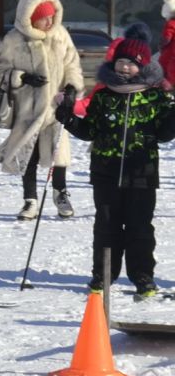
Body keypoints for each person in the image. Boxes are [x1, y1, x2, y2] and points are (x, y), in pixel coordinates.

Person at [55, 36, 175, 295]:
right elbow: (89, 131)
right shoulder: (104, 96)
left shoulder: (154, 98)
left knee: (140, 227)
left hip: (142, 174)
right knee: (106, 226)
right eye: (121, 62)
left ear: (142, 68)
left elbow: (165, 134)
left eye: (131, 64)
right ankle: (103, 275)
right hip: (105, 173)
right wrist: (69, 119)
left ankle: (143, 276)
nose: (124, 68)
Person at [0, 0, 82, 221]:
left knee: (59, 154)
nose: (49, 21)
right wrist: (21, 77)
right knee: (27, 153)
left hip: (55, 107)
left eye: (52, 16)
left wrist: (71, 87)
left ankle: (61, 194)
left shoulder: (60, 35)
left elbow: (72, 63)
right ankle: (30, 200)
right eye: (44, 17)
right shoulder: (13, 40)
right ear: (30, 16)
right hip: (27, 109)